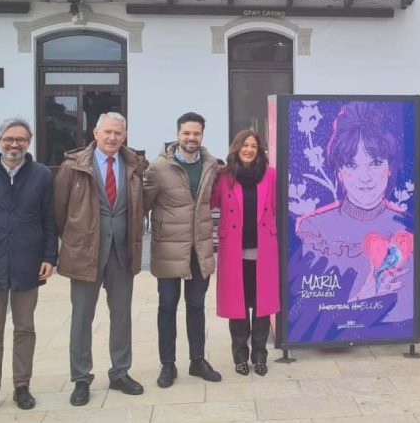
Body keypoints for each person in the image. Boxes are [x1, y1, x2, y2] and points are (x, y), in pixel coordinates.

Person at [55, 112, 148, 407]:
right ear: (95, 133)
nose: (112, 138)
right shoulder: (74, 166)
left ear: (125, 136)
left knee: (121, 317)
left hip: (122, 252)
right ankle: (81, 378)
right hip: (86, 253)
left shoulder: (133, 166)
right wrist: (75, 240)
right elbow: (60, 210)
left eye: (118, 133)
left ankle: (120, 372)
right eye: (107, 132)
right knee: (82, 317)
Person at [295, 102, 415, 326]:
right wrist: (362, 298)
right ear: (339, 172)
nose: (365, 177)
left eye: (375, 163)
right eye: (352, 165)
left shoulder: (407, 225)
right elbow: (305, 311)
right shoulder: (312, 227)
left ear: (389, 168)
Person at [0, 118, 57, 415]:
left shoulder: (42, 175)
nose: (14, 144)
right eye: (9, 139)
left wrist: (50, 257)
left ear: (28, 142)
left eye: (20, 139)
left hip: (27, 261)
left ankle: (22, 385)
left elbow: (49, 219)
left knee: (25, 327)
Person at [145, 112, 223, 388]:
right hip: (168, 249)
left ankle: (197, 361)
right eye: (186, 133)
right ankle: (168, 364)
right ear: (178, 134)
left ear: (202, 135)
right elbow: (144, 205)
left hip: (198, 249)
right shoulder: (157, 168)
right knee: (167, 306)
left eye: (196, 133)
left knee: (197, 305)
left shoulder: (211, 166)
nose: (191, 138)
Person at [210, 130, 278, 376]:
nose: (249, 150)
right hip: (234, 253)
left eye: (254, 146)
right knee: (237, 307)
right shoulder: (225, 176)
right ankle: (240, 356)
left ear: (260, 150)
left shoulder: (270, 175)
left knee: (262, 307)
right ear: (236, 149)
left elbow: (279, 207)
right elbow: (210, 201)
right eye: (244, 145)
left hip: (264, 252)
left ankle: (260, 355)